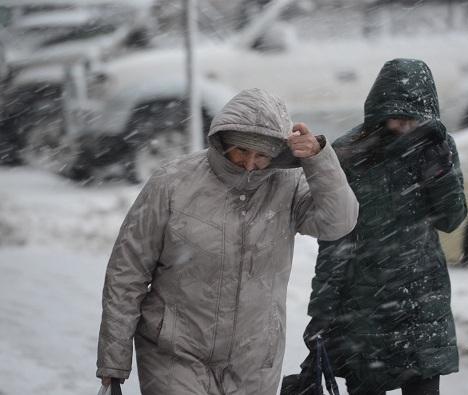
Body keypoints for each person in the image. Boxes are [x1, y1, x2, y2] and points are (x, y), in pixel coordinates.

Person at [96, 88, 359, 394]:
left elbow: (339, 222)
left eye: (261, 155)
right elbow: (127, 272)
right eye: (240, 151)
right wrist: (114, 362)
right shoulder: (171, 183)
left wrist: (319, 160)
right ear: (221, 141)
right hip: (174, 353)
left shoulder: (286, 185)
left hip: (254, 359)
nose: (249, 164)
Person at [303, 58, 468, 395]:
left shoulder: (437, 146)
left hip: (421, 300)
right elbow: (335, 239)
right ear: (377, 111)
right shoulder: (349, 153)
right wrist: (321, 312)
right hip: (363, 304)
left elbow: (451, 219)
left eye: (413, 119)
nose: (405, 127)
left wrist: (438, 169)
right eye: (397, 117)